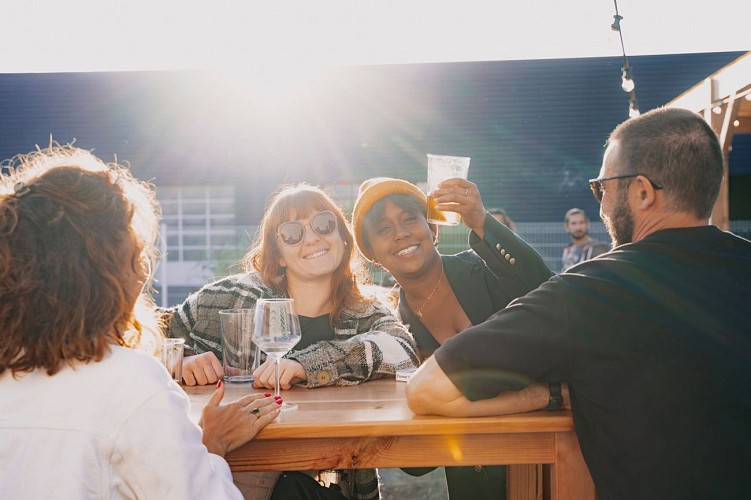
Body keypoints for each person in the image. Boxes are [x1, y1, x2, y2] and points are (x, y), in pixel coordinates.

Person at [406, 108, 751, 500]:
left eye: (601, 187)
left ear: (642, 192)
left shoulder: (589, 293)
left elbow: (427, 390)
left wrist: (552, 395)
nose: (600, 204)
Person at [0, 146, 279, 499]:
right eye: (137, 256)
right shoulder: (130, 385)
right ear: (109, 275)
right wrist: (212, 444)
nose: (144, 272)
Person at [165, 183, 419, 499]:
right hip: (229, 480)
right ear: (279, 255)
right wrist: (180, 358)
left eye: (323, 225)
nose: (311, 238)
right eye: (292, 232)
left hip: (325, 483)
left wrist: (305, 364)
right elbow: (144, 334)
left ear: (341, 237)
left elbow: (402, 349)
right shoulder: (231, 297)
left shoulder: (363, 309)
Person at [351, 177, 557, 500]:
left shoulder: (485, 267)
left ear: (432, 227)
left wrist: (481, 222)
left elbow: (549, 294)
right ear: (372, 252)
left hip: (548, 467)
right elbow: (416, 465)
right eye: (383, 229)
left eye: (409, 219)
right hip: (474, 486)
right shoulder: (391, 329)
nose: (401, 233)